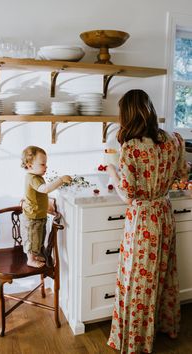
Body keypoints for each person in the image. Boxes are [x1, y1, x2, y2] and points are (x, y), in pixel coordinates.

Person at [106, 89, 188, 354]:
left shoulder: (130, 147)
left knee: (137, 279)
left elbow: (127, 195)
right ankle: (166, 327)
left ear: (127, 115)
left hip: (142, 220)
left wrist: (112, 172)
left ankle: (136, 341)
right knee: (164, 274)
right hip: (164, 213)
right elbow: (181, 174)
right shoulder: (175, 139)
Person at [21, 145, 72, 268]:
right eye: (42, 164)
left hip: (38, 214)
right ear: (29, 165)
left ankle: (34, 255)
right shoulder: (33, 178)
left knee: (38, 237)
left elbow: (37, 195)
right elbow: (45, 189)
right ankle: (30, 259)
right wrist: (60, 180)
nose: (46, 167)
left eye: (46, 164)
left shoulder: (36, 177)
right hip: (33, 217)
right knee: (32, 237)